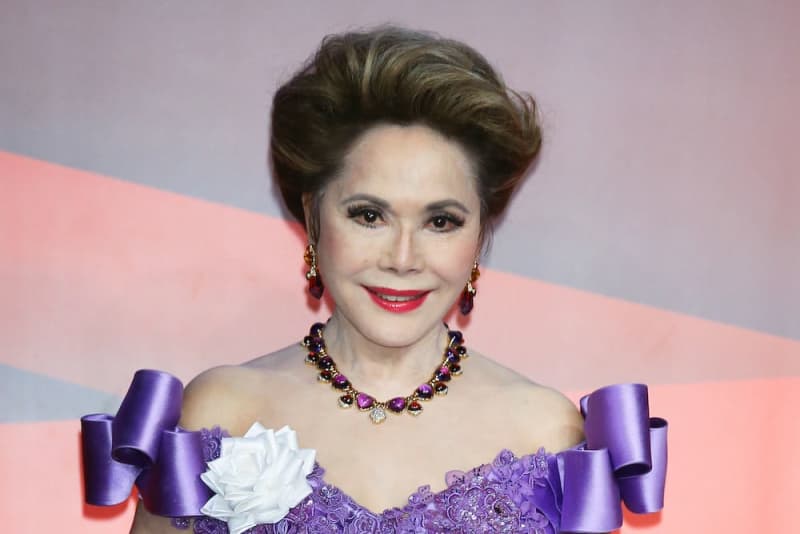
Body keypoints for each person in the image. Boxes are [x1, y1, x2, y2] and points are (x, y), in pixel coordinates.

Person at [82, 26, 666, 534]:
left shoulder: (548, 431)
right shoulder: (220, 410)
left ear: (479, 234)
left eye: (441, 221)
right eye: (369, 215)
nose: (403, 258)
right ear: (313, 215)